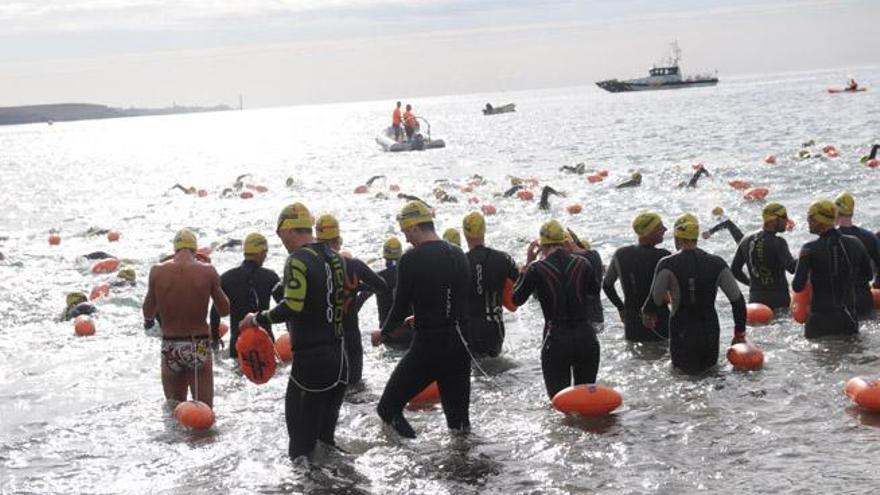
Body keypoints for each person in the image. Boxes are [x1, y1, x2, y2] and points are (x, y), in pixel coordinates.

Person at [240, 203, 348, 460]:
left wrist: (256, 319)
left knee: (300, 450)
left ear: (288, 231)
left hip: (311, 363)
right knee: (326, 442)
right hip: (340, 360)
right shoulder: (335, 256)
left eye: (280, 237)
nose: (282, 243)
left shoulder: (298, 258)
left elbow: (293, 305)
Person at [372, 200, 471, 439]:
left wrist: (382, 333)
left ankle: (413, 456)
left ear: (415, 227)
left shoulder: (411, 259)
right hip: (459, 347)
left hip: (427, 348)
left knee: (387, 408)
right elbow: (458, 301)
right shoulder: (458, 254)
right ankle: (466, 469)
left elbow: (400, 305)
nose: (406, 239)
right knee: (459, 426)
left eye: (406, 232)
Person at [642, 214, 747, 374]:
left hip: (681, 331)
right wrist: (739, 333)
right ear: (696, 237)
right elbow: (738, 301)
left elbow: (655, 300)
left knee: (682, 379)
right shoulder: (717, 262)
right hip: (710, 330)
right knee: (711, 374)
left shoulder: (667, 263)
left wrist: (648, 315)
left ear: (678, 237)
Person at [512, 220, 601, 398]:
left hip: (556, 339)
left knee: (559, 403)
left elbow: (516, 299)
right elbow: (594, 292)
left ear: (541, 244)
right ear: (563, 240)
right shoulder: (583, 263)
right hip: (586, 337)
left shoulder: (536, 268)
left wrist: (527, 264)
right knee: (587, 400)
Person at [142, 228, 230, 408]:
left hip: (170, 346)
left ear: (174, 250)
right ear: (195, 250)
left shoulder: (157, 272)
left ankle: (174, 438)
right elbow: (225, 310)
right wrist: (213, 280)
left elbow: (148, 313)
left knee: (175, 410)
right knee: (205, 411)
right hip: (197, 344)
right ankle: (204, 437)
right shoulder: (207, 271)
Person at [314, 214, 389, 386]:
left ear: (316, 240)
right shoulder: (354, 265)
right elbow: (382, 286)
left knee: (327, 390)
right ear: (338, 240)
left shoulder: (310, 264)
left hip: (322, 341)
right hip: (350, 334)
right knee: (355, 386)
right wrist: (357, 287)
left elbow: (281, 294)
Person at [792, 200, 870, 338]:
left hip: (819, 321)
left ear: (820, 221)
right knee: (850, 357)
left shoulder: (809, 249)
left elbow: (797, 286)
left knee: (819, 358)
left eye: (810, 217)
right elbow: (868, 275)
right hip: (847, 318)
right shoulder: (856, 243)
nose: (807, 221)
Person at [209, 233, 281, 358]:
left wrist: (215, 339)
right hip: (265, 340)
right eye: (265, 252)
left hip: (238, 343)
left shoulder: (227, 278)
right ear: (260, 252)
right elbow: (283, 307)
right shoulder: (270, 277)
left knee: (237, 374)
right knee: (266, 376)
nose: (265, 256)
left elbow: (215, 313)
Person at [603, 212, 671, 342]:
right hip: (660, 321)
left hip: (632, 323)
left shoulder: (621, 254)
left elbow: (607, 285)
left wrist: (620, 307)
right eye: (660, 227)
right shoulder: (664, 257)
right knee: (663, 357)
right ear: (648, 231)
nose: (665, 229)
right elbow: (671, 296)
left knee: (636, 359)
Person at [462, 211, 519, 358]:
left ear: (465, 233)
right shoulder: (504, 259)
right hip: (495, 325)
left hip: (470, 327)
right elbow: (518, 289)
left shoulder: (460, 262)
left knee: (477, 371)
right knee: (495, 364)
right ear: (484, 230)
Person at [730, 203, 797, 310]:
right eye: (784, 217)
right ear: (773, 220)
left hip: (755, 302)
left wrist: (751, 284)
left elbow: (734, 270)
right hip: (779, 301)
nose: (787, 220)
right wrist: (807, 255)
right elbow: (792, 268)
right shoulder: (778, 242)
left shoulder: (746, 240)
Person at [357, 237, 413, 348]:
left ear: (385, 257)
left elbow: (360, 301)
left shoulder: (378, 278)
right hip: (410, 334)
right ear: (401, 256)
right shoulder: (411, 276)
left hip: (387, 335)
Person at [834, 192, 880, 316]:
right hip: (864, 296)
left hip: (841, 299)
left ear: (836, 212)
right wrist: (877, 285)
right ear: (852, 212)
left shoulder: (830, 239)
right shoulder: (870, 237)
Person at [565, 229, 605, 330]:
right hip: (597, 315)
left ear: (565, 243)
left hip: (579, 319)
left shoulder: (571, 261)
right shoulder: (594, 254)